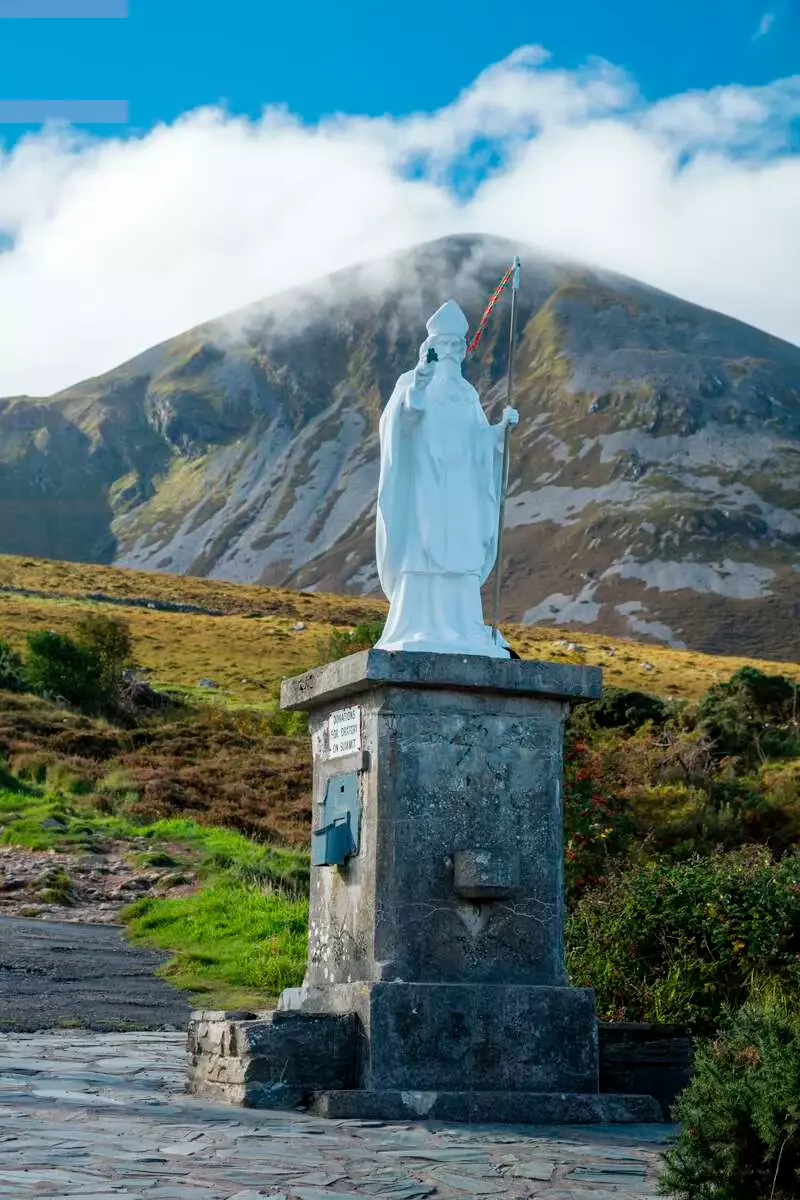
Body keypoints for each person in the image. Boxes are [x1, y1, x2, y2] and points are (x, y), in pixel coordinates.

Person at [375, 298, 519, 657]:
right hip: (426, 487)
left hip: (460, 491)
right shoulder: (411, 382)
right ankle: (419, 625)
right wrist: (417, 390)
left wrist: (499, 432)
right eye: (446, 345)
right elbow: (399, 426)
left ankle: (464, 628)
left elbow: (478, 441)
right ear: (432, 349)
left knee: (461, 553)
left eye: (458, 346)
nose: (453, 351)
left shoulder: (467, 394)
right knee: (423, 552)